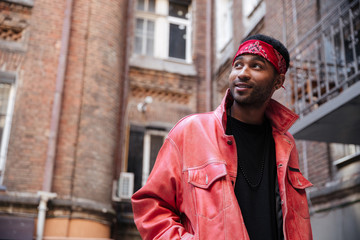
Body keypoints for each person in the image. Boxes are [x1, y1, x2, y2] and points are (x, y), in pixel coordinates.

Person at [131, 34, 313, 240]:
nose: (242, 73)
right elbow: (151, 206)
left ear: (278, 82)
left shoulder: (285, 144)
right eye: (237, 65)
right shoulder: (191, 130)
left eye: (256, 66)